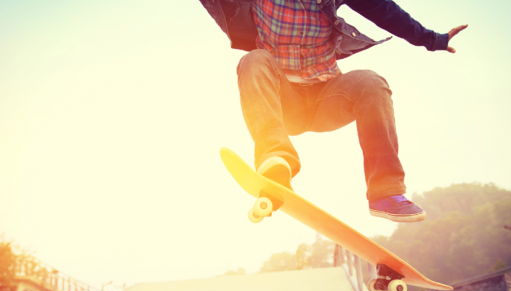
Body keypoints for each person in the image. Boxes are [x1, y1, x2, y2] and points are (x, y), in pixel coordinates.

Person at [199, 0, 467, 222]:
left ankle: (386, 192)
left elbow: (386, 12)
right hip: (282, 101)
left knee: (371, 82)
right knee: (253, 61)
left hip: (327, 97)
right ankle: (275, 163)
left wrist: (433, 39)